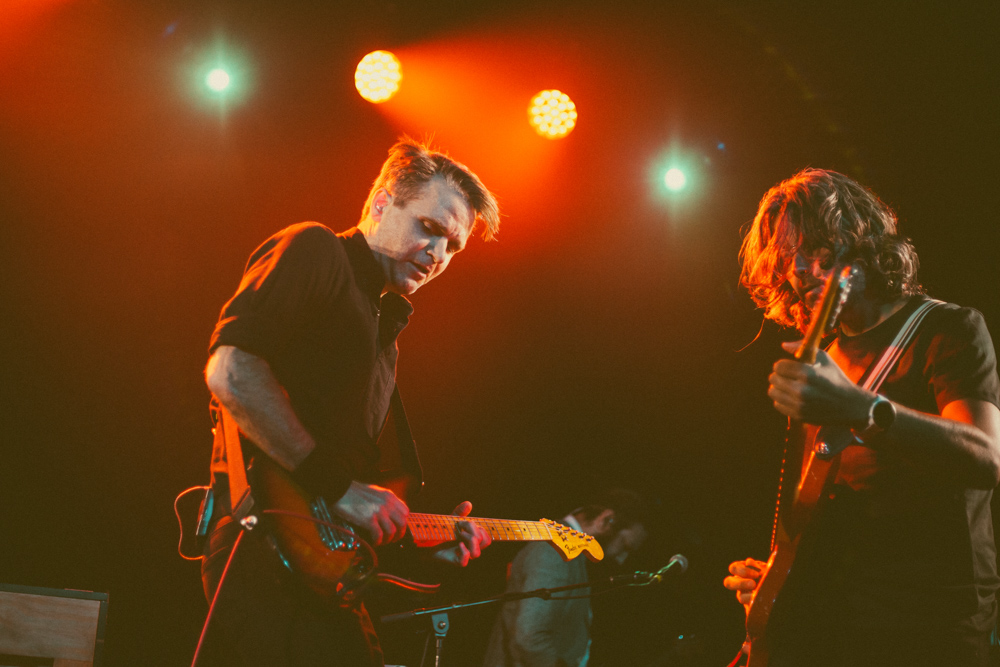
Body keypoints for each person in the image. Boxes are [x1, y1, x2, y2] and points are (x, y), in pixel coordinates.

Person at [198, 138, 500, 667]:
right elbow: (231, 370)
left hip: (320, 569)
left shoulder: (384, 335)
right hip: (262, 546)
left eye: (453, 247)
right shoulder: (317, 249)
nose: (438, 254)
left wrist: (428, 548)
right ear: (382, 203)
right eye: (429, 228)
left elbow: (347, 492)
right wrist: (338, 488)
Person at [723, 168, 1000, 666]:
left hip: (932, 625)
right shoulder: (822, 360)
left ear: (858, 241)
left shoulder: (945, 328)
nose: (797, 271)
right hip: (838, 624)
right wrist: (779, 580)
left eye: (812, 250)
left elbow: (986, 457)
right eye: (786, 260)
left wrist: (862, 409)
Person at [483, 489, 648, 667]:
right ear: (607, 520)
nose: (621, 559)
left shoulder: (569, 553)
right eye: (625, 546)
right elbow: (528, 637)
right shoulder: (555, 550)